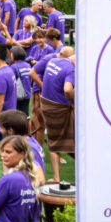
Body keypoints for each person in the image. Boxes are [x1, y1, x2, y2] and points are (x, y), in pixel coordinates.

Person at [39, 48, 75, 183]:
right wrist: (74, 98)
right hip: (58, 109)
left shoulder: (53, 61)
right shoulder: (71, 69)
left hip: (46, 104)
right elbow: (67, 89)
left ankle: (56, 177)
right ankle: (88, 169)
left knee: (53, 141)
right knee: (71, 141)